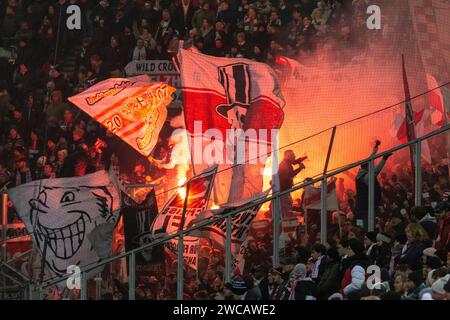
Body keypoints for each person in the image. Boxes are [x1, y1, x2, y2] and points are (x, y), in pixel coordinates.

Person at [355, 140, 391, 230]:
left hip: (368, 206)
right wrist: (383, 159)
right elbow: (375, 172)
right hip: (365, 208)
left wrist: (374, 152)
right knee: (367, 228)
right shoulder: (363, 176)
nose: (373, 166)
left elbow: (371, 165)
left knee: (372, 226)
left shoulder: (363, 173)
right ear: (367, 167)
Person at [278, 150, 307, 218]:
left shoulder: (286, 162)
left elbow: (294, 162)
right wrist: (300, 168)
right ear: (288, 156)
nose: (295, 156)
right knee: (287, 212)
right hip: (283, 192)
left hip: (285, 192)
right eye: (293, 155)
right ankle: (288, 226)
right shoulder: (284, 164)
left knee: (288, 209)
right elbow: (290, 175)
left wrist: (303, 158)